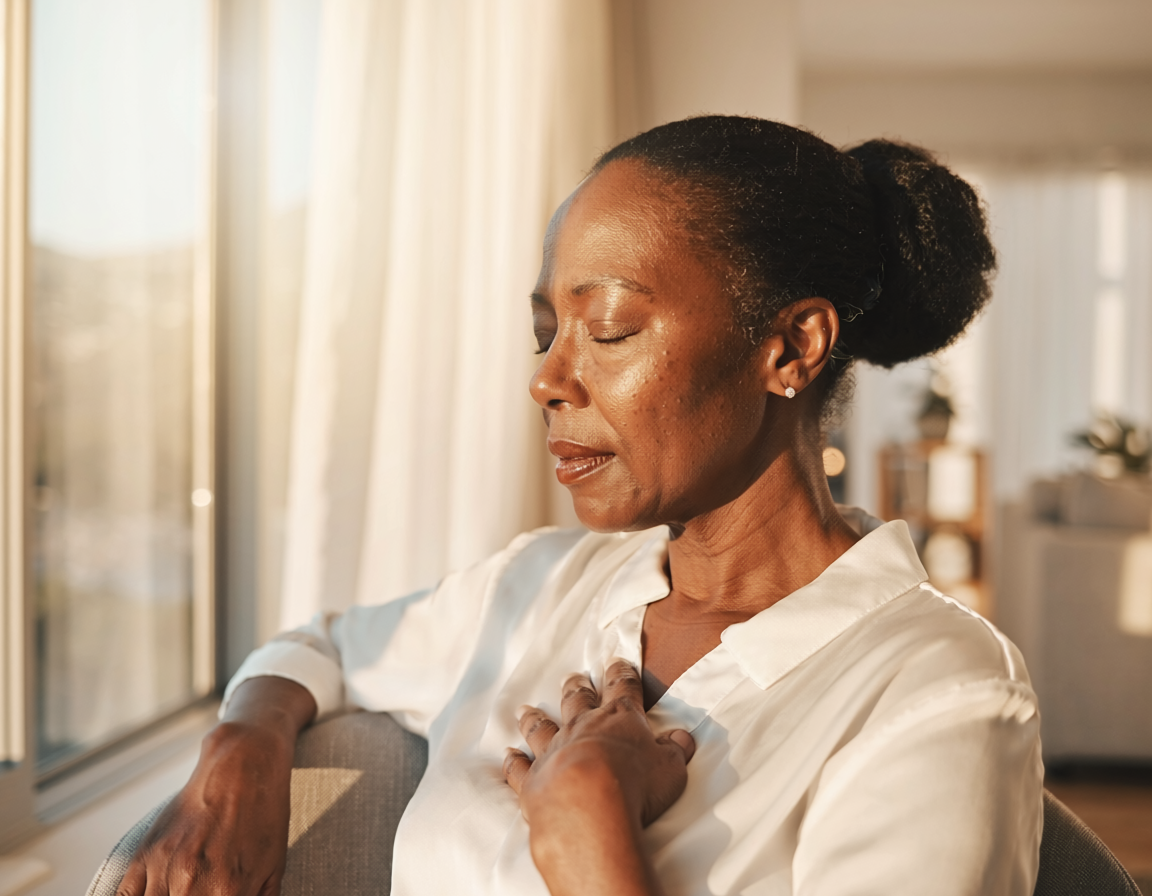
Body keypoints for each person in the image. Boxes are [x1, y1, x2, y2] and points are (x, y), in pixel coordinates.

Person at [119, 116, 1042, 896]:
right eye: (544, 334)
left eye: (608, 330)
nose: (549, 379)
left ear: (792, 347)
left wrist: (591, 838)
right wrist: (241, 746)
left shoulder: (938, 691)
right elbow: (316, 647)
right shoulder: (539, 584)